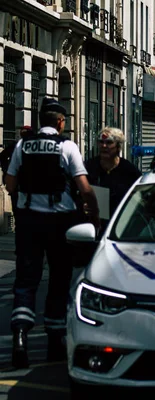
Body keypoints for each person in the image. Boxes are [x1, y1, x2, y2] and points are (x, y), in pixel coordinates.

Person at [5, 97, 100, 368]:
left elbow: (10, 183)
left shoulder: (23, 145)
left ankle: (20, 336)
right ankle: (55, 340)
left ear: (39, 121)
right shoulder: (67, 146)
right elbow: (84, 187)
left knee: (25, 280)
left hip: (29, 223)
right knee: (59, 278)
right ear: (60, 122)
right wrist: (93, 217)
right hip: (60, 222)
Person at [85, 127, 141, 234]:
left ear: (118, 147)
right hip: (93, 227)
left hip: (121, 226)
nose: (104, 146)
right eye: (101, 142)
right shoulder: (89, 167)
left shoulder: (129, 170)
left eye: (109, 142)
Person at [1, 126, 34, 222]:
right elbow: (2, 157)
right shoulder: (16, 146)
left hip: (23, 183)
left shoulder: (17, 146)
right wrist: (7, 170)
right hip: (20, 183)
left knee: (19, 206)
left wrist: (6, 171)